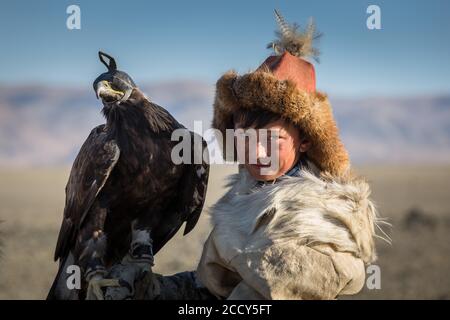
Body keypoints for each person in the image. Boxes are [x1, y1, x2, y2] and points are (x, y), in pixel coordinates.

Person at [102, 11, 382, 300]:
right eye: (245, 137)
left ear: (306, 141)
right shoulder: (246, 197)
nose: (257, 152)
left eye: (272, 139)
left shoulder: (321, 225)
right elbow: (214, 292)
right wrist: (153, 291)